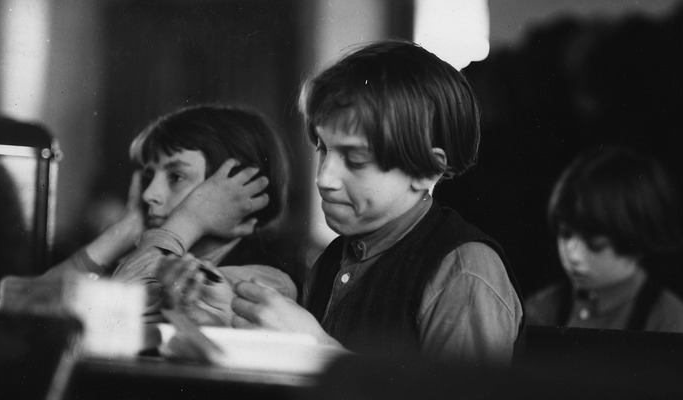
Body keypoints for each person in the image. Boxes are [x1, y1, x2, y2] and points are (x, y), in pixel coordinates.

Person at [196, 40, 524, 366]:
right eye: (323, 148)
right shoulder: (334, 260)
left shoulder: (463, 271)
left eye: (354, 159)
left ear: (426, 170)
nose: (324, 178)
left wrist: (315, 350)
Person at [41, 104, 297, 329]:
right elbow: (29, 310)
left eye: (176, 177)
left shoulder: (266, 280)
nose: (149, 194)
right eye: (149, 176)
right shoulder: (143, 257)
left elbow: (114, 320)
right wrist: (123, 231)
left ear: (242, 192)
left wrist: (190, 220)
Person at [525, 147, 683, 334]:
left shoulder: (675, 325)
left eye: (595, 242)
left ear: (635, 239)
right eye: (565, 234)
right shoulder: (537, 310)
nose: (573, 255)